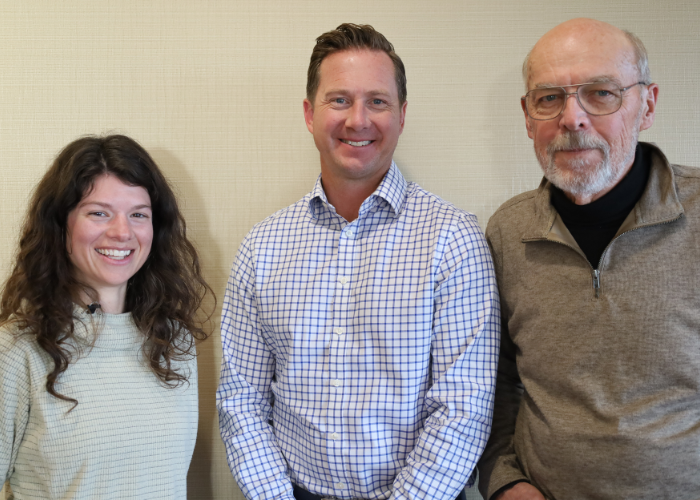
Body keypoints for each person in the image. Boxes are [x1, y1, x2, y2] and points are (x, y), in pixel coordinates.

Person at [218, 23, 500, 500]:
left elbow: (463, 407)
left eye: (378, 101)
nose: (358, 120)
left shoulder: (452, 240)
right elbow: (241, 400)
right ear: (310, 114)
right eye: (339, 100)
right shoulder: (262, 247)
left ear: (402, 115)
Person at [478, 17, 700, 500]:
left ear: (648, 105)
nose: (572, 118)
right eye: (549, 97)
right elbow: (493, 385)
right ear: (527, 114)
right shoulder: (507, 233)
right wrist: (506, 483)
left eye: (601, 93)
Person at [0, 135, 213, 499]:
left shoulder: (174, 340)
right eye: (98, 212)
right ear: (60, 224)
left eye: (138, 215)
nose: (122, 232)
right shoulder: (18, 349)